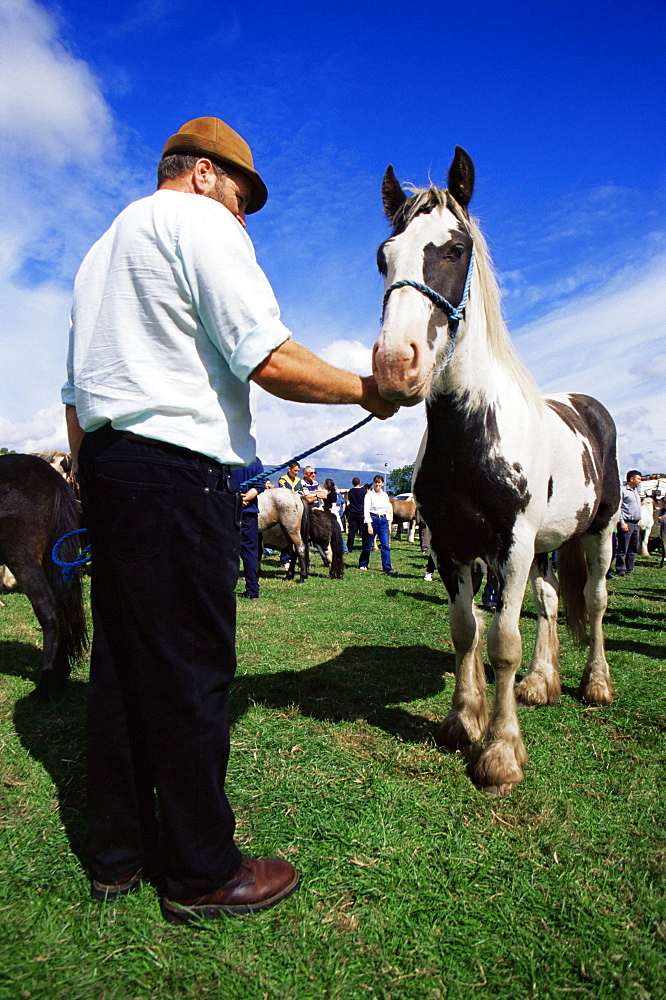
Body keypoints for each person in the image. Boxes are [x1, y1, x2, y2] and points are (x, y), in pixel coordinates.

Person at [62, 115, 397, 923]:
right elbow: (267, 354)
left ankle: (116, 855)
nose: (243, 216)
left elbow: (74, 399)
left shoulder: (99, 252)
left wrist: (90, 482)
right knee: (190, 673)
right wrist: (366, 389)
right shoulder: (199, 223)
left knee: (121, 669)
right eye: (242, 196)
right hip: (182, 473)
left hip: (110, 469)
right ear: (205, 175)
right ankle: (201, 870)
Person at [229, 458, 265, 599]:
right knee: (250, 552)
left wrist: (238, 500)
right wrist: (247, 499)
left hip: (229, 509)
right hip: (249, 512)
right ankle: (253, 590)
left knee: (226, 551)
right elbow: (259, 485)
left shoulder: (227, 458)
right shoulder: (255, 461)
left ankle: (225, 588)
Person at [359, 475, 397, 575]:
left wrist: (389, 523)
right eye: (376, 482)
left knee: (385, 545)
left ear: (382, 484)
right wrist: (369, 524)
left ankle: (387, 567)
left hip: (383, 520)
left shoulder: (385, 495)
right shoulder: (369, 495)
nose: (377, 484)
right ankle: (363, 563)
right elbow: (366, 510)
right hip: (373, 519)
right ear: (374, 483)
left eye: (379, 482)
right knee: (368, 544)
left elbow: (388, 510)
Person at [615, 469, 643, 576]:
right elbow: (619, 507)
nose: (640, 481)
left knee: (633, 547)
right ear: (632, 479)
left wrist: (639, 519)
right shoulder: (623, 491)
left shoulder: (636, 491)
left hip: (636, 523)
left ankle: (630, 568)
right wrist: (622, 522)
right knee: (623, 547)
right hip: (627, 522)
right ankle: (621, 569)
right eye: (638, 479)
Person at [346, 477, 366, 551]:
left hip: (352, 512)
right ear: (359, 482)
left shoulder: (350, 491)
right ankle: (365, 546)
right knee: (364, 531)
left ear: (352, 483)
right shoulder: (363, 492)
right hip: (361, 513)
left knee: (352, 531)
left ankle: (349, 547)